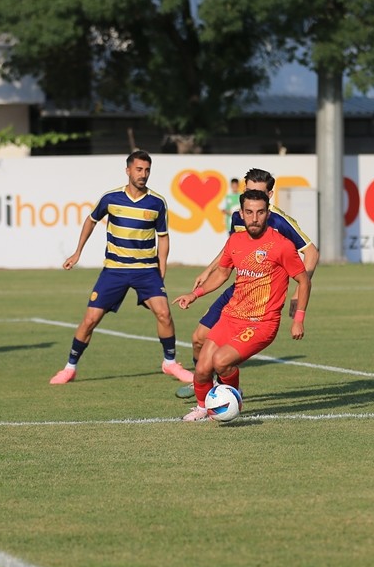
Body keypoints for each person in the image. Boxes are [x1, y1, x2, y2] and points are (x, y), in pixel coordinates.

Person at [49, 150, 194, 385]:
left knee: (164, 313)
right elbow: (91, 220)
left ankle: (170, 363)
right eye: (139, 169)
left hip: (146, 270)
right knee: (90, 319)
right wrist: (78, 252)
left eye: (147, 170)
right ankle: (69, 367)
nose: (143, 174)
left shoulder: (157, 202)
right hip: (114, 270)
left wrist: (161, 270)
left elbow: (163, 238)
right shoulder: (111, 198)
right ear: (128, 170)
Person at [175, 167, 318, 399]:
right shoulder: (238, 216)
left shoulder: (280, 223)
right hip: (237, 289)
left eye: (258, 193)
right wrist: (208, 270)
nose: (252, 198)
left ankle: (222, 390)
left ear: (269, 196)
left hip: (262, 298)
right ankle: (205, 381)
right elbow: (232, 247)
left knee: (222, 356)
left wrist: (297, 292)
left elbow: (311, 252)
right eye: (248, 191)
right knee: (198, 338)